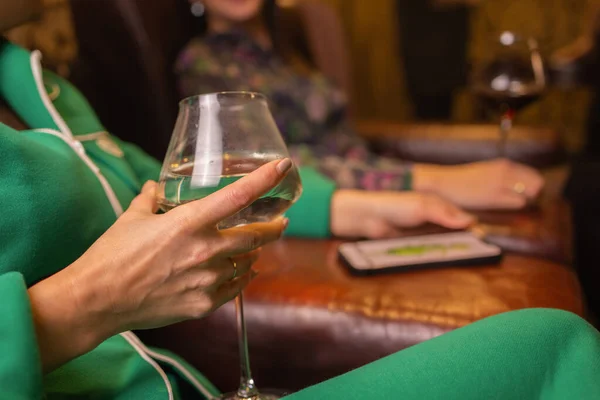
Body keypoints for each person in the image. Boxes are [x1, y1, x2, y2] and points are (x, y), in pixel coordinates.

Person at [2, 1, 600, 399]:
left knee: (554, 339)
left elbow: (152, 183)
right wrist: (83, 305)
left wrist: (360, 205)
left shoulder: (35, 81)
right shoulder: (209, 62)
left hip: (185, 386)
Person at [177, 0, 545, 211]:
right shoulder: (203, 63)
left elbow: (345, 140)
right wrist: (434, 180)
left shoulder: (288, 44)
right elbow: (264, 170)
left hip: (373, 177)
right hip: (340, 201)